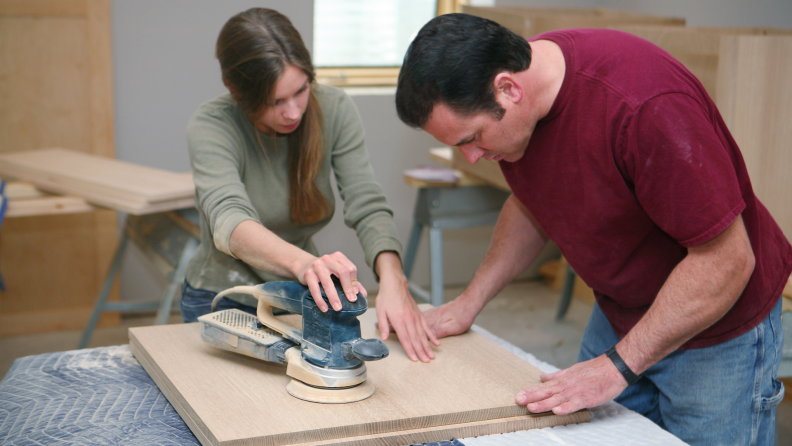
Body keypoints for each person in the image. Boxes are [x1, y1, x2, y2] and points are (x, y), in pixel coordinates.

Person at [395, 13, 790, 445]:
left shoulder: (644, 107)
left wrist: (617, 366)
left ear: (509, 89)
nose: (470, 157)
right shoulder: (521, 104)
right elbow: (531, 202)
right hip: (621, 309)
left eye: (472, 138)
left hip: (716, 328)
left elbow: (728, 260)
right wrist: (470, 301)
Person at [182, 7, 438, 363]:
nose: (293, 112)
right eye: (275, 102)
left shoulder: (334, 109)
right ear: (235, 91)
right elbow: (230, 221)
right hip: (221, 297)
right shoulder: (211, 125)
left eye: (301, 90)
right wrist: (306, 265)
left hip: (297, 295)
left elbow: (366, 202)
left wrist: (393, 279)